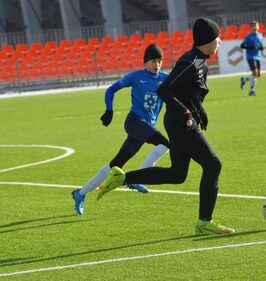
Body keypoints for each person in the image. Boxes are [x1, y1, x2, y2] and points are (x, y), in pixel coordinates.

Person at [96, 18, 235, 236]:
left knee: (177, 174)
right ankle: (204, 221)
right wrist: (186, 112)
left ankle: (123, 178)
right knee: (213, 164)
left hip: (182, 121)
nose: (220, 41)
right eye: (218, 38)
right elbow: (165, 90)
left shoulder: (201, 61)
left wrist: (200, 111)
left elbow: (190, 92)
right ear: (208, 39)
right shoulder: (189, 62)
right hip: (181, 123)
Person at [71, 44, 170, 215]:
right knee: (164, 144)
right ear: (146, 62)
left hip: (144, 128)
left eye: (160, 61)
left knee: (114, 165)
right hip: (134, 122)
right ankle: (137, 178)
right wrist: (109, 110)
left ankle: (80, 193)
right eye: (153, 61)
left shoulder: (166, 78)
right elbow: (112, 89)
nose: (157, 64)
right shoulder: (136, 76)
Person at [240, 21, 263, 96]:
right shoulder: (248, 36)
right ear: (250, 28)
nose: (254, 27)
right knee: (255, 73)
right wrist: (250, 47)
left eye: (256, 26)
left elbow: (260, 45)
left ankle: (244, 80)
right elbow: (242, 46)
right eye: (253, 26)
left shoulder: (260, 35)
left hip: (258, 56)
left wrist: (261, 47)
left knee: (258, 74)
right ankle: (251, 90)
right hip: (250, 56)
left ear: (258, 27)